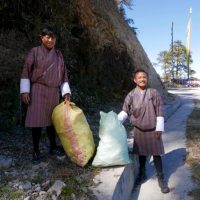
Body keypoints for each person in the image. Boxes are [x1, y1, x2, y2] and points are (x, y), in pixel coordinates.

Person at [20, 27, 71, 163]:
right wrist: (25, 90)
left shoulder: (59, 55)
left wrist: (65, 92)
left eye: (53, 37)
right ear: (41, 38)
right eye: (47, 37)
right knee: (36, 122)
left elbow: (63, 75)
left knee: (52, 121)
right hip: (38, 89)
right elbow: (26, 70)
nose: (50, 40)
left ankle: (53, 146)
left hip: (54, 91)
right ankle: (35, 150)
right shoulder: (34, 52)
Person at [118, 69, 169, 193]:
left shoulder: (153, 93)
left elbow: (160, 110)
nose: (142, 79)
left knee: (156, 153)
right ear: (135, 80)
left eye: (144, 77)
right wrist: (115, 122)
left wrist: (159, 127)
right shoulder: (131, 95)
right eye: (139, 77)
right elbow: (125, 110)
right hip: (139, 129)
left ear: (147, 79)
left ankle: (161, 178)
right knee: (141, 153)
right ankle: (142, 172)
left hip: (153, 130)